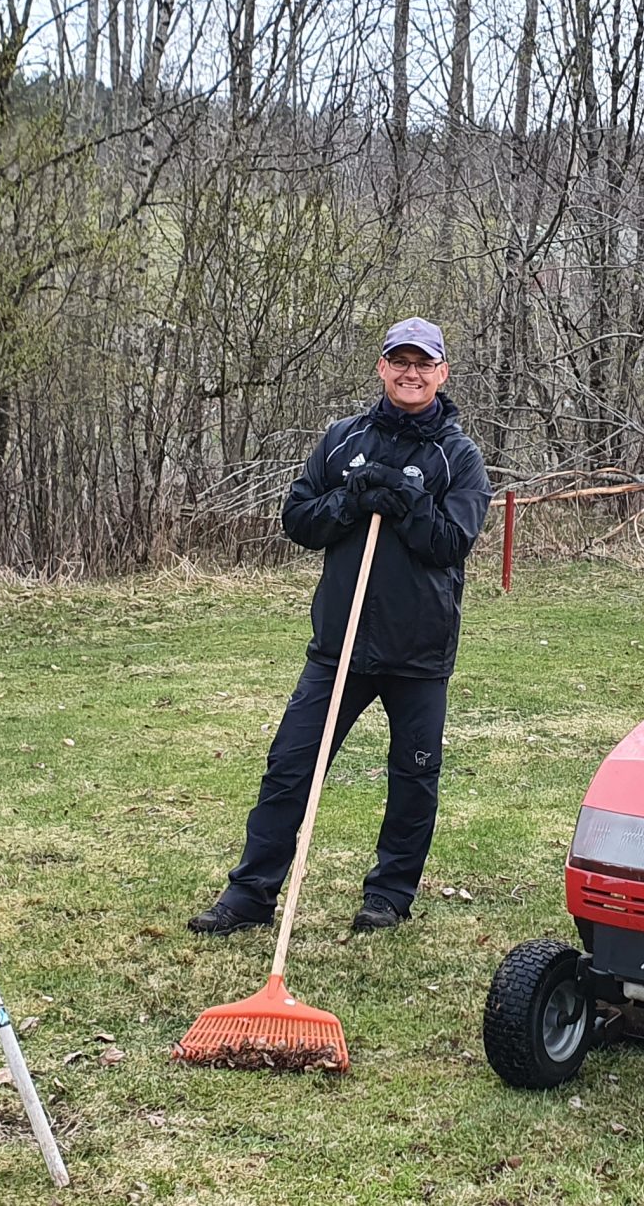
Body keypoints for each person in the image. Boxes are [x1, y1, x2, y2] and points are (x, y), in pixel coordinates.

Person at [188, 318, 492, 936]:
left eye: (423, 363)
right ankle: (250, 895)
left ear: (442, 373)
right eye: (399, 361)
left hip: (418, 650)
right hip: (339, 647)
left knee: (413, 778)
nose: (410, 373)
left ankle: (388, 896)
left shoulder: (458, 457)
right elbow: (298, 519)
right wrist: (351, 500)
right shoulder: (341, 439)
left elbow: (451, 542)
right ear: (382, 368)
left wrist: (406, 502)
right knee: (290, 768)